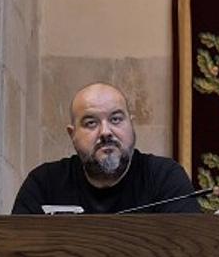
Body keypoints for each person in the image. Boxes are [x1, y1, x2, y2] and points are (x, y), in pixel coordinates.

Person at [12, 82, 199, 214]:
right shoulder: (44, 183)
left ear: (131, 125)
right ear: (72, 134)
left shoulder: (164, 177)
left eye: (115, 119)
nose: (105, 132)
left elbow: (190, 251)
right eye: (91, 123)